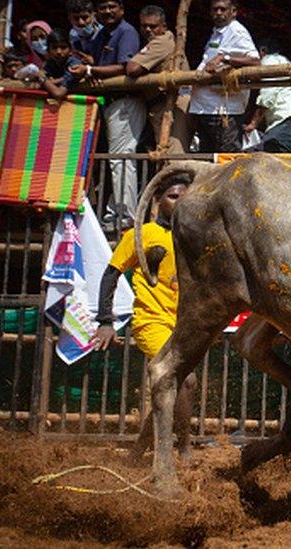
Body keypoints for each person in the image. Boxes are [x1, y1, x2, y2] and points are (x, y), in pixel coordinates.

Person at [93, 175, 197, 460]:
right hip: (151, 321)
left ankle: (138, 451)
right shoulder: (141, 234)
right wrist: (105, 320)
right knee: (184, 380)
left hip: (183, 324)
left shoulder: (193, 237)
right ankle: (184, 448)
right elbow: (111, 273)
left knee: (170, 388)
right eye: (173, 196)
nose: (179, 202)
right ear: (157, 200)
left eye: (184, 197)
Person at [68, 0, 144, 231]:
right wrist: (90, 64)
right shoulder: (103, 35)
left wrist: (91, 70)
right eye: (102, 7)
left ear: (122, 8)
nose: (107, 11)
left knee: (122, 158)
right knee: (116, 159)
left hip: (125, 102)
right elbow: (94, 60)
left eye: (112, 6)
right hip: (110, 104)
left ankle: (125, 215)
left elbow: (125, 67)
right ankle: (116, 212)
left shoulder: (126, 32)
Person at [188, 0, 260, 153]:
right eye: (215, 9)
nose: (218, 13)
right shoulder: (218, 32)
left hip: (224, 112)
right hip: (208, 108)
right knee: (210, 159)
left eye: (223, 9)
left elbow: (255, 60)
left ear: (233, 12)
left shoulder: (236, 31)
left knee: (226, 159)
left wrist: (224, 58)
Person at [126, 5, 191, 155]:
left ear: (164, 27)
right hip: (168, 103)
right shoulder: (165, 39)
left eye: (153, 26)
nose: (148, 30)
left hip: (171, 104)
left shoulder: (161, 42)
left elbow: (132, 69)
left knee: (172, 154)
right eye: (144, 26)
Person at [245, 38, 291, 153]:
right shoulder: (285, 62)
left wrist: (253, 124)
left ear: (263, 51)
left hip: (284, 121)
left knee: (267, 157)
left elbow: (267, 97)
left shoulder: (269, 61)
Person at [37, 29, 83, 100]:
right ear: (48, 50)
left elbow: (58, 94)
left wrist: (43, 79)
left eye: (63, 47)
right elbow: (43, 72)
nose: (58, 52)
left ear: (71, 50)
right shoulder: (51, 62)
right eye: (54, 48)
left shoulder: (74, 65)